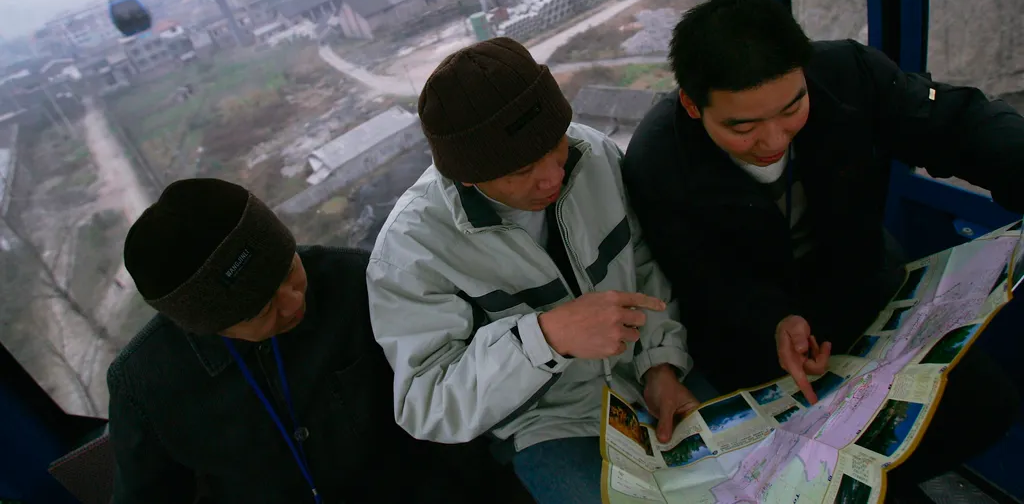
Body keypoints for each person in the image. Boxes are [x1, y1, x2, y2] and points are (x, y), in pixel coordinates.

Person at [622, 0, 1021, 493]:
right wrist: (774, 321)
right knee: (818, 470)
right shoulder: (659, 160)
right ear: (691, 104)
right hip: (753, 332)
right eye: (742, 126)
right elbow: (705, 276)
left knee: (986, 407)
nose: (773, 140)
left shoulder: (847, 75)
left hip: (861, 280)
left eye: (792, 109)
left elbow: (959, 124)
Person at [366, 37, 703, 504]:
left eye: (555, 144)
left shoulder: (595, 154)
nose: (553, 176)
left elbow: (643, 259)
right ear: (467, 175)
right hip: (548, 424)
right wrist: (544, 339)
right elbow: (428, 404)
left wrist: (660, 364)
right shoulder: (411, 251)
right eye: (522, 170)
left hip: (643, 379)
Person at [107, 177, 516, 504]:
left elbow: (453, 407)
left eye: (287, 269)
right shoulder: (145, 386)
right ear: (204, 326)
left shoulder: (360, 282)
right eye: (259, 309)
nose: (293, 301)